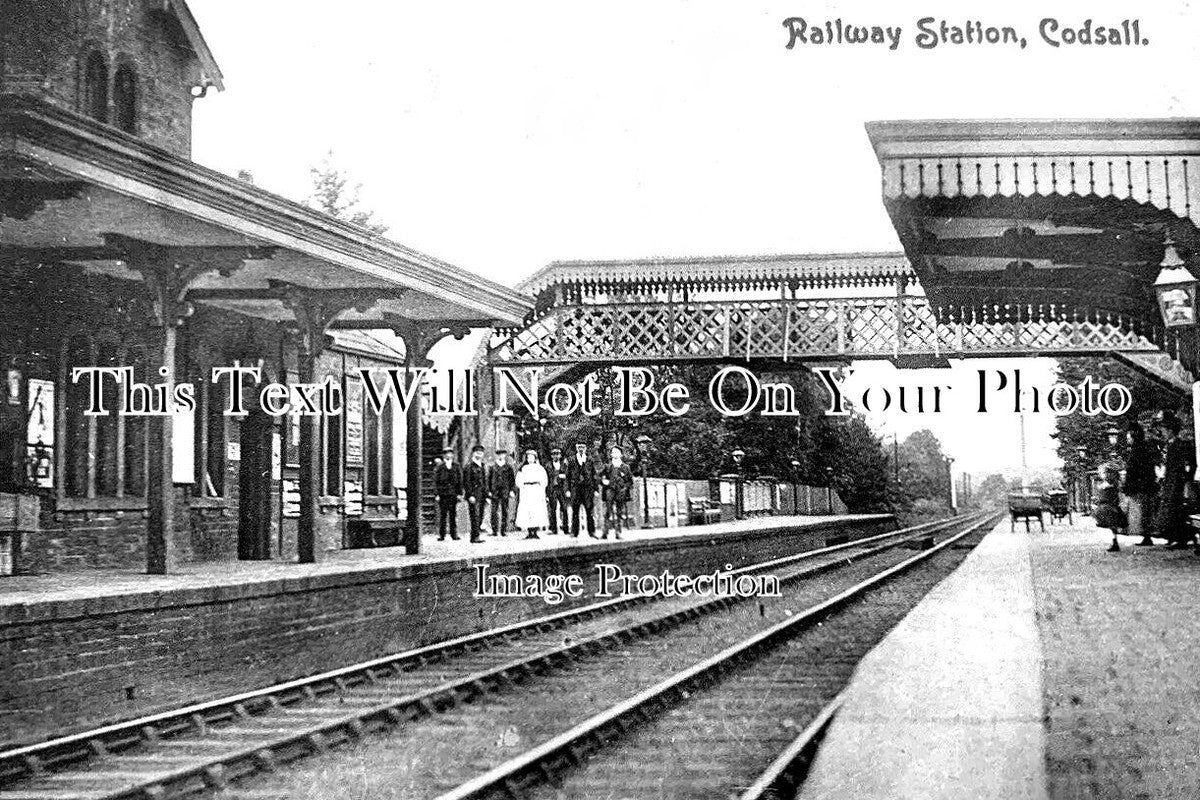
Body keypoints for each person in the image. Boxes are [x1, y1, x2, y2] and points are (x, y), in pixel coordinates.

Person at [1154, 410, 1197, 548]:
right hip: (1170, 482)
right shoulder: (1169, 446)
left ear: (1171, 430)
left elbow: (1191, 463)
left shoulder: (1180, 445)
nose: (1163, 433)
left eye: (1165, 430)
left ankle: (1181, 539)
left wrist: (1187, 478)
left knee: (1176, 510)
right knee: (1169, 510)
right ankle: (1174, 537)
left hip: (1178, 483)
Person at [1121, 422, 1158, 546]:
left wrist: (1128, 485)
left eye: (1129, 438)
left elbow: (1132, 471)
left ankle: (1147, 536)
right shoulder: (1144, 449)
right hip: (1146, 485)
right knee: (1144, 511)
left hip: (1141, 486)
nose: (1128, 440)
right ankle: (1146, 535)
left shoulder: (1137, 451)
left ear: (1134, 437)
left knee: (1143, 511)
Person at [600, 446, 635, 540]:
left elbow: (630, 481)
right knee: (608, 511)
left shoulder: (626, 467)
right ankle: (605, 532)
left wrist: (624, 487)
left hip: (620, 491)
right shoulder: (607, 466)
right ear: (611, 455)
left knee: (619, 511)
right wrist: (604, 481)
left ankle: (618, 532)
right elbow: (601, 477)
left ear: (621, 454)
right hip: (610, 490)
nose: (614, 454)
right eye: (613, 452)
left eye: (617, 452)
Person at [566, 440, 598, 538]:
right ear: (576, 448)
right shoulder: (571, 460)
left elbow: (594, 475)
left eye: (583, 447)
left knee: (589, 510)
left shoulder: (589, 460)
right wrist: (567, 489)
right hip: (576, 488)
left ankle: (591, 531)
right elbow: (568, 476)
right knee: (575, 510)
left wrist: (596, 489)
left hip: (587, 489)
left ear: (585, 448)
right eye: (579, 447)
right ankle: (574, 532)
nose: (581, 449)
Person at [516, 450, 550, 539]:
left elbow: (544, 480)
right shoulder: (523, 468)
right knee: (527, 510)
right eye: (528, 457)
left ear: (535, 458)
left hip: (536, 490)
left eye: (532, 457)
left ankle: (535, 531)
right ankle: (529, 531)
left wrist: (541, 490)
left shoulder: (540, 468)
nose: (530, 459)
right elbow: (518, 480)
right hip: (527, 491)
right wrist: (522, 488)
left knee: (536, 510)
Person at [1094, 462, 1127, 552]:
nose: (1105, 474)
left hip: (1110, 507)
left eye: (1106, 472)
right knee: (1112, 526)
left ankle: (1115, 543)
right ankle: (1114, 542)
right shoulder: (1110, 483)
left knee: (1112, 526)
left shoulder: (1113, 484)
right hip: (1108, 506)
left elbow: (1117, 496)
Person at [433, 448, 462, 541]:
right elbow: (435, 481)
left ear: (452, 455)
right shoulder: (440, 466)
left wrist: (459, 493)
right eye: (446, 454)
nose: (448, 455)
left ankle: (454, 534)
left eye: (450, 454)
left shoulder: (456, 466)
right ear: (444, 455)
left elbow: (460, 481)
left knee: (453, 514)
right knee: (443, 515)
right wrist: (436, 494)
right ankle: (442, 535)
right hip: (443, 494)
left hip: (453, 494)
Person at [462, 444, 490, 544]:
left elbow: (485, 482)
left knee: (480, 515)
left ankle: (476, 535)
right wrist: (470, 495)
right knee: (475, 516)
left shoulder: (482, 466)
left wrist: (487, 495)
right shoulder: (469, 466)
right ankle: (474, 536)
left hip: (482, 495)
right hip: (474, 495)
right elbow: (467, 482)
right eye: (477, 453)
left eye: (481, 453)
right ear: (473, 453)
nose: (479, 455)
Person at [488, 450, 517, 536]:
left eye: (503, 454)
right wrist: (489, 491)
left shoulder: (508, 467)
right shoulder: (493, 467)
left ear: (505, 455)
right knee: (494, 511)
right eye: (499, 455)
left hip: (505, 491)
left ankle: (503, 530)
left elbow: (512, 480)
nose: (501, 456)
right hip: (495, 491)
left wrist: (512, 490)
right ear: (497, 456)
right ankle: (494, 530)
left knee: (505, 510)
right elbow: (489, 480)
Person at [545, 446, 570, 535]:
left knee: (564, 508)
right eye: (554, 455)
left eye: (558, 454)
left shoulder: (564, 465)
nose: (556, 456)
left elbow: (568, 477)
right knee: (553, 509)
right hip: (552, 489)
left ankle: (566, 527)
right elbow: (546, 479)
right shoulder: (548, 465)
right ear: (551, 456)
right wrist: (546, 493)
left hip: (562, 489)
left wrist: (567, 488)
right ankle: (553, 528)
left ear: (560, 456)